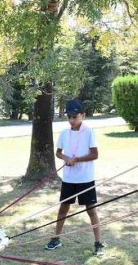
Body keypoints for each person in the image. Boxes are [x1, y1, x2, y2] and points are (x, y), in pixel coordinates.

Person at [45, 100, 105, 257]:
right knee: (63, 209)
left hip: (85, 178)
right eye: (68, 117)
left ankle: (98, 243)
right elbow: (58, 152)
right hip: (69, 179)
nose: (71, 120)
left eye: (74, 116)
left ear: (83, 115)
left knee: (91, 210)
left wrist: (76, 159)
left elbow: (95, 154)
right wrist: (65, 157)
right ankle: (56, 238)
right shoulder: (65, 133)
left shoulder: (89, 132)